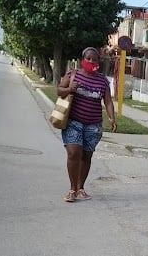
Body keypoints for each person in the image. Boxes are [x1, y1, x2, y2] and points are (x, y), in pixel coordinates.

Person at [57, 47, 117, 202]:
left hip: (93, 125)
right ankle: (72, 189)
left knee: (86, 156)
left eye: (94, 59)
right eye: (88, 58)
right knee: (73, 153)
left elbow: (108, 101)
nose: (91, 61)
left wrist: (112, 118)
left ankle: (80, 187)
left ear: (98, 62)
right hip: (73, 121)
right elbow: (59, 91)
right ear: (83, 59)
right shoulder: (72, 74)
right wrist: (70, 88)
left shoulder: (102, 80)